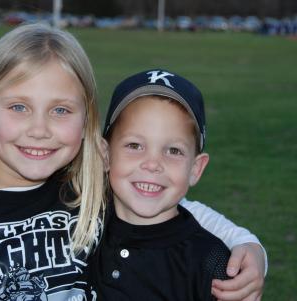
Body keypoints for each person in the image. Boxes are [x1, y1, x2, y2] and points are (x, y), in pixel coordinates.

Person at [0, 25, 265, 301]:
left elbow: (181, 212)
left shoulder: (87, 196)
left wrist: (250, 247)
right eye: (19, 107)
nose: (39, 129)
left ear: (88, 123)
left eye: (61, 110)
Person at [91, 69, 238, 300]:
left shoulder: (213, 263)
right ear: (105, 155)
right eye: (135, 145)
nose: (152, 164)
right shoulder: (75, 227)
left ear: (195, 169)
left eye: (173, 151)